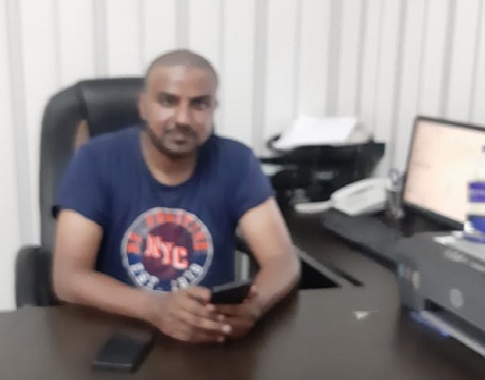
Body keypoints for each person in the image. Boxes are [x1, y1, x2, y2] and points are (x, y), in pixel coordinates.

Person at [52, 49, 300, 343]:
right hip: (121, 334)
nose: (183, 118)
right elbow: (68, 277)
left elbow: (282, 260)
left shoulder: (237, 162)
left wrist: (254, 306)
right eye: (168, 101)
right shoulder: (95, 161)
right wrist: (154, 308)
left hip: (211, 338)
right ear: (143, 106)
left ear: (213, 108)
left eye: (199, 104)